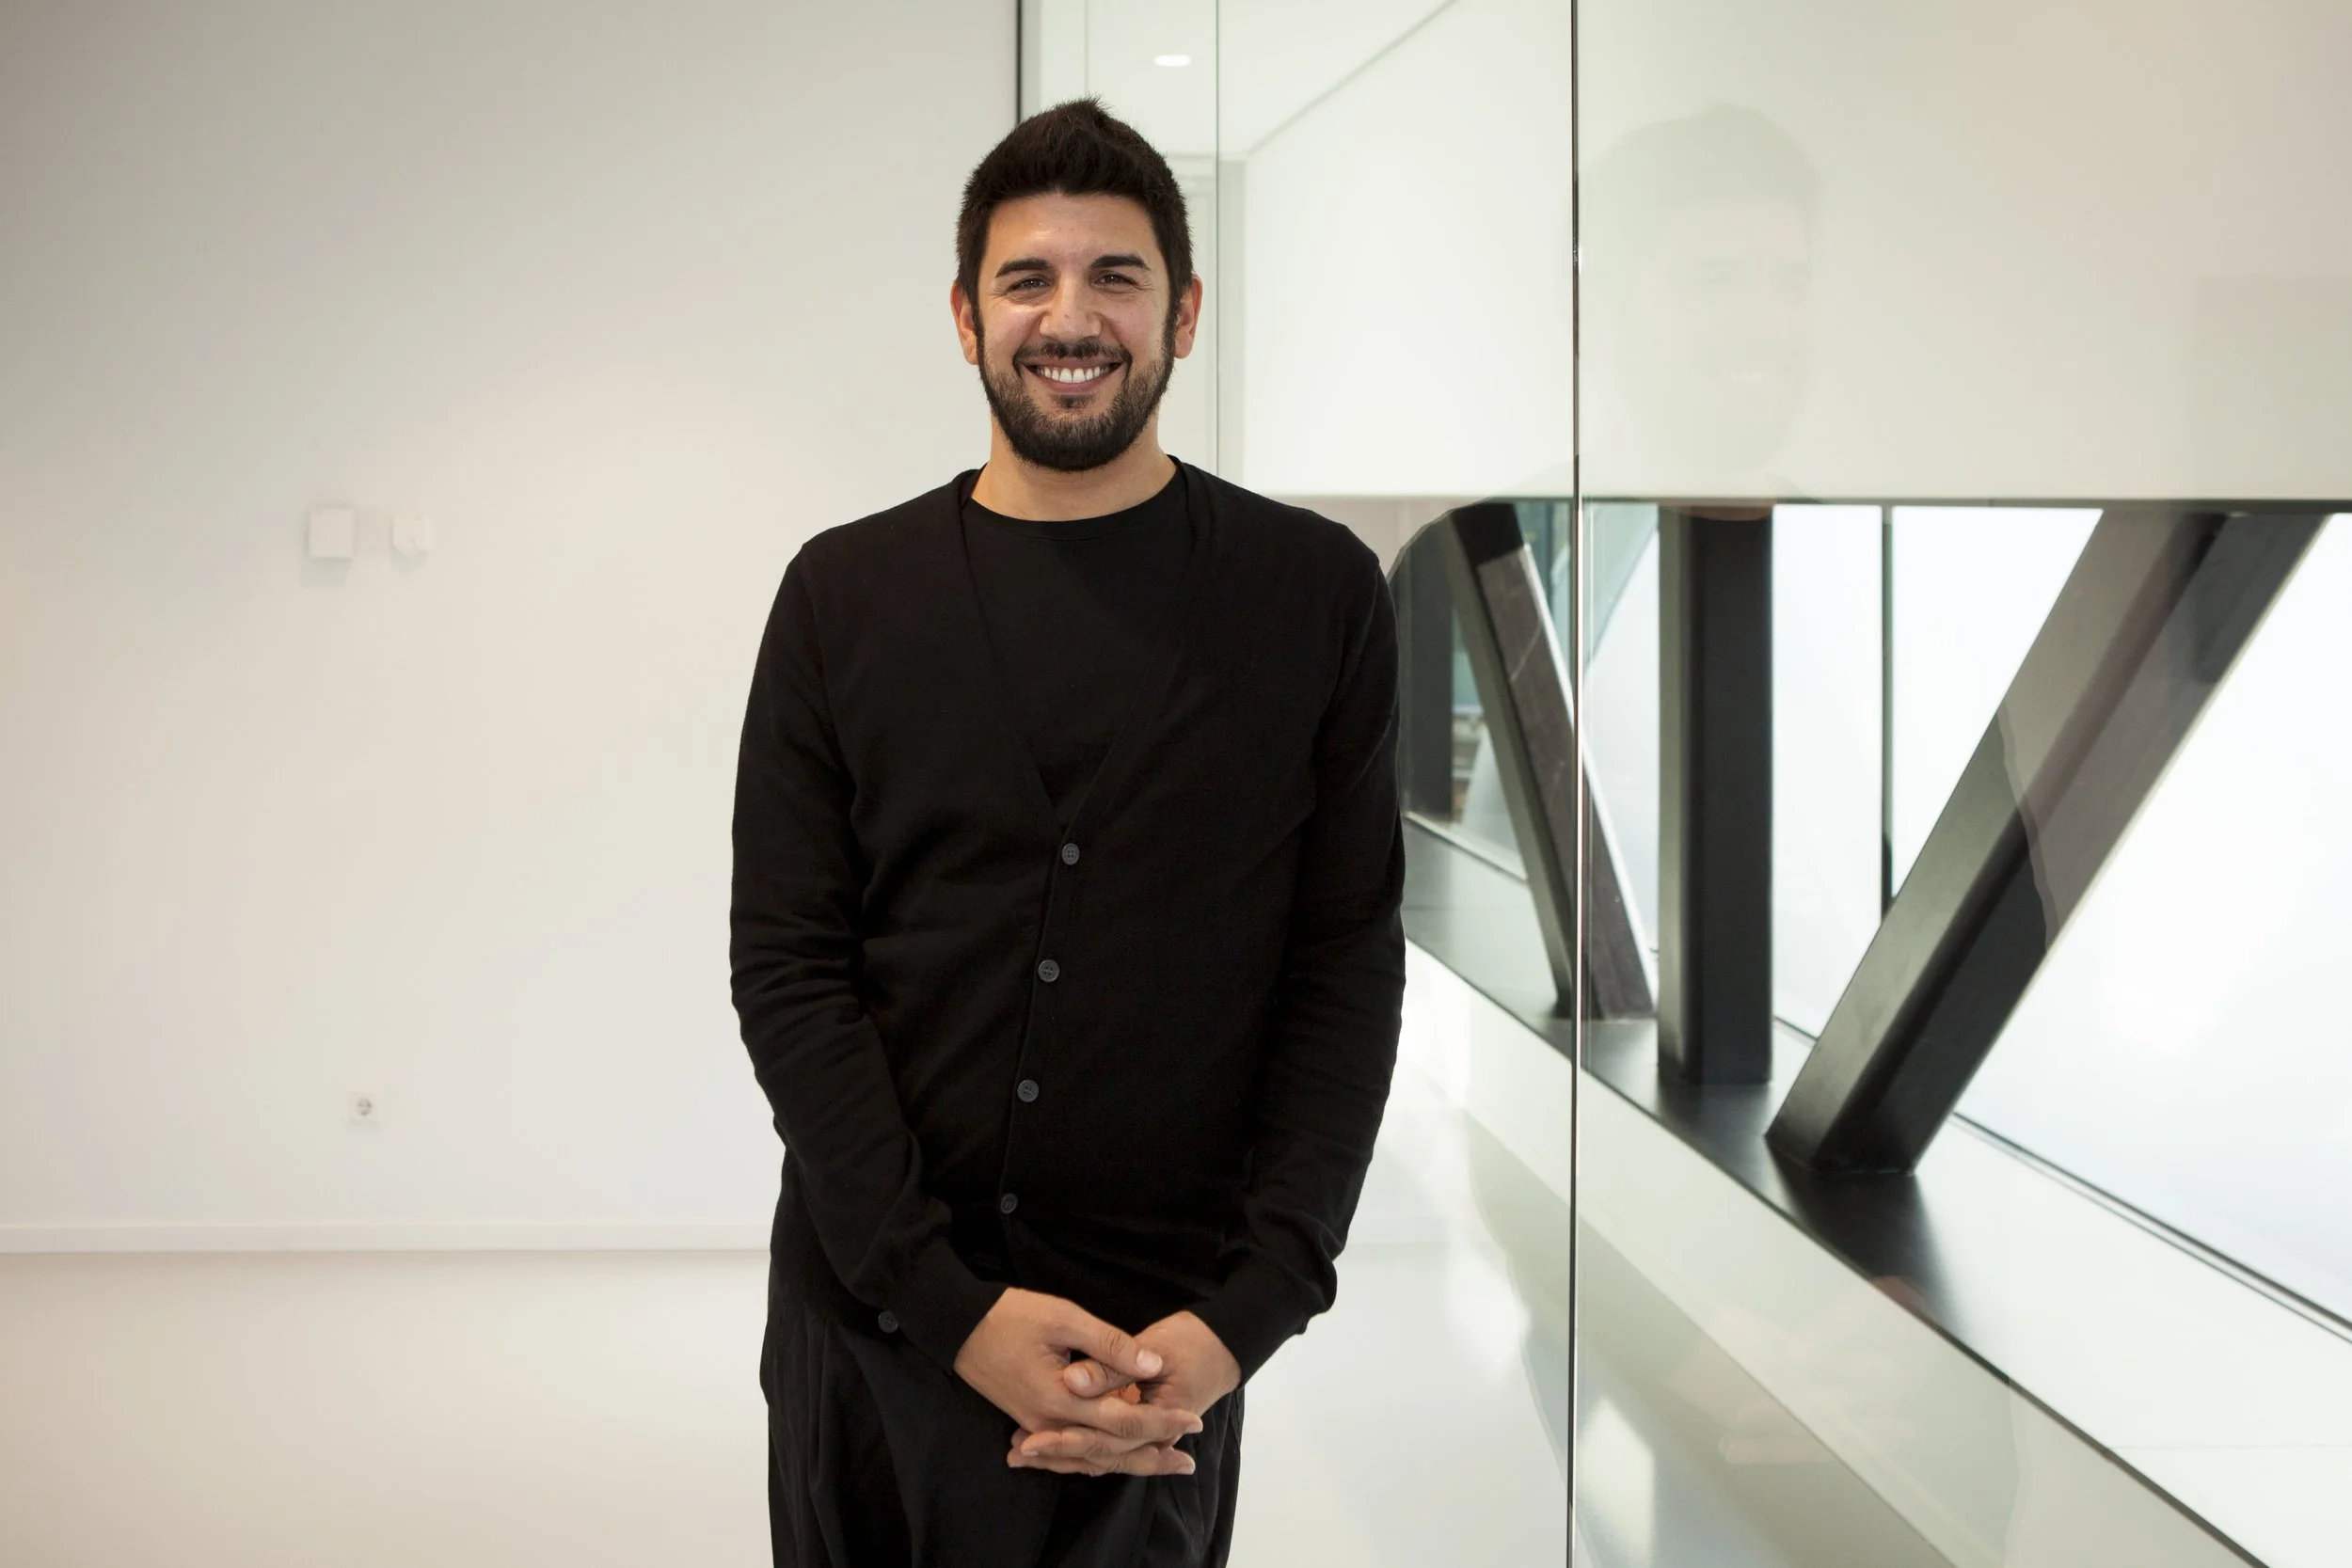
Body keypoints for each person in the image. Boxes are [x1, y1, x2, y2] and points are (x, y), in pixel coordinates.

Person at [729, 100, 1406, 1567]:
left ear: (1186, 313)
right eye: (1028, 279)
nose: (1072, 315)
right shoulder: (842, 596)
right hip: (878, 1310)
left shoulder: (1319, 596)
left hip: (1160, 1339)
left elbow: (1344, 966)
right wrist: (948, 1302)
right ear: (966, 319)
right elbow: (790, 967)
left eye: (1118, 275)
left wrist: (1250, 1310)